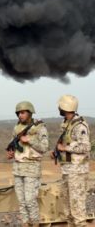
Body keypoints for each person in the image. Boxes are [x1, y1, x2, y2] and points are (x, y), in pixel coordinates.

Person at [6, 101, 48, 227]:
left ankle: (35, 223)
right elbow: (13, 144)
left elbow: (44, 147)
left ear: (30, 112)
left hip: (32, 167)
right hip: (18, 168)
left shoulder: (40, 127)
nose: (20, 115)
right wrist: (11, 153)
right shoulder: (16, 128)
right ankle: (25, 223)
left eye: (23, 112)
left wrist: (29, 140)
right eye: (18, 113)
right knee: (22, 201)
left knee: (30, 200)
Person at [53, 95, 90, 226]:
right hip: (67, 170)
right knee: (67, 207)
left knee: (77, 207)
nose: (59, 108)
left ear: (65, 107)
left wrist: (66, 148)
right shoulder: (66, 124)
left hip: (77, 171)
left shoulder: (80, 126)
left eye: (60, 106)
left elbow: (86, 147)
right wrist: (57, 152)